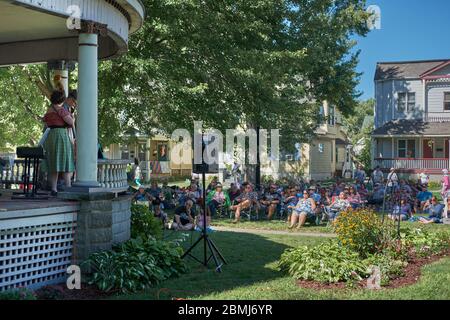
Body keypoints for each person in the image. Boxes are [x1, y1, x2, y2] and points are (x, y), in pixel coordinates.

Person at [43, 90, 75, 196]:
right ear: (61, 99)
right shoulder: (60, 110)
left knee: (54, 162)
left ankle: (54, 188)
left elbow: (46, 123)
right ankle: (69, 187)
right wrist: (72, 117)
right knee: (66, 161)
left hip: (51, 136)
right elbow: (70, 122)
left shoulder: (49, 110)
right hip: (61, 135)